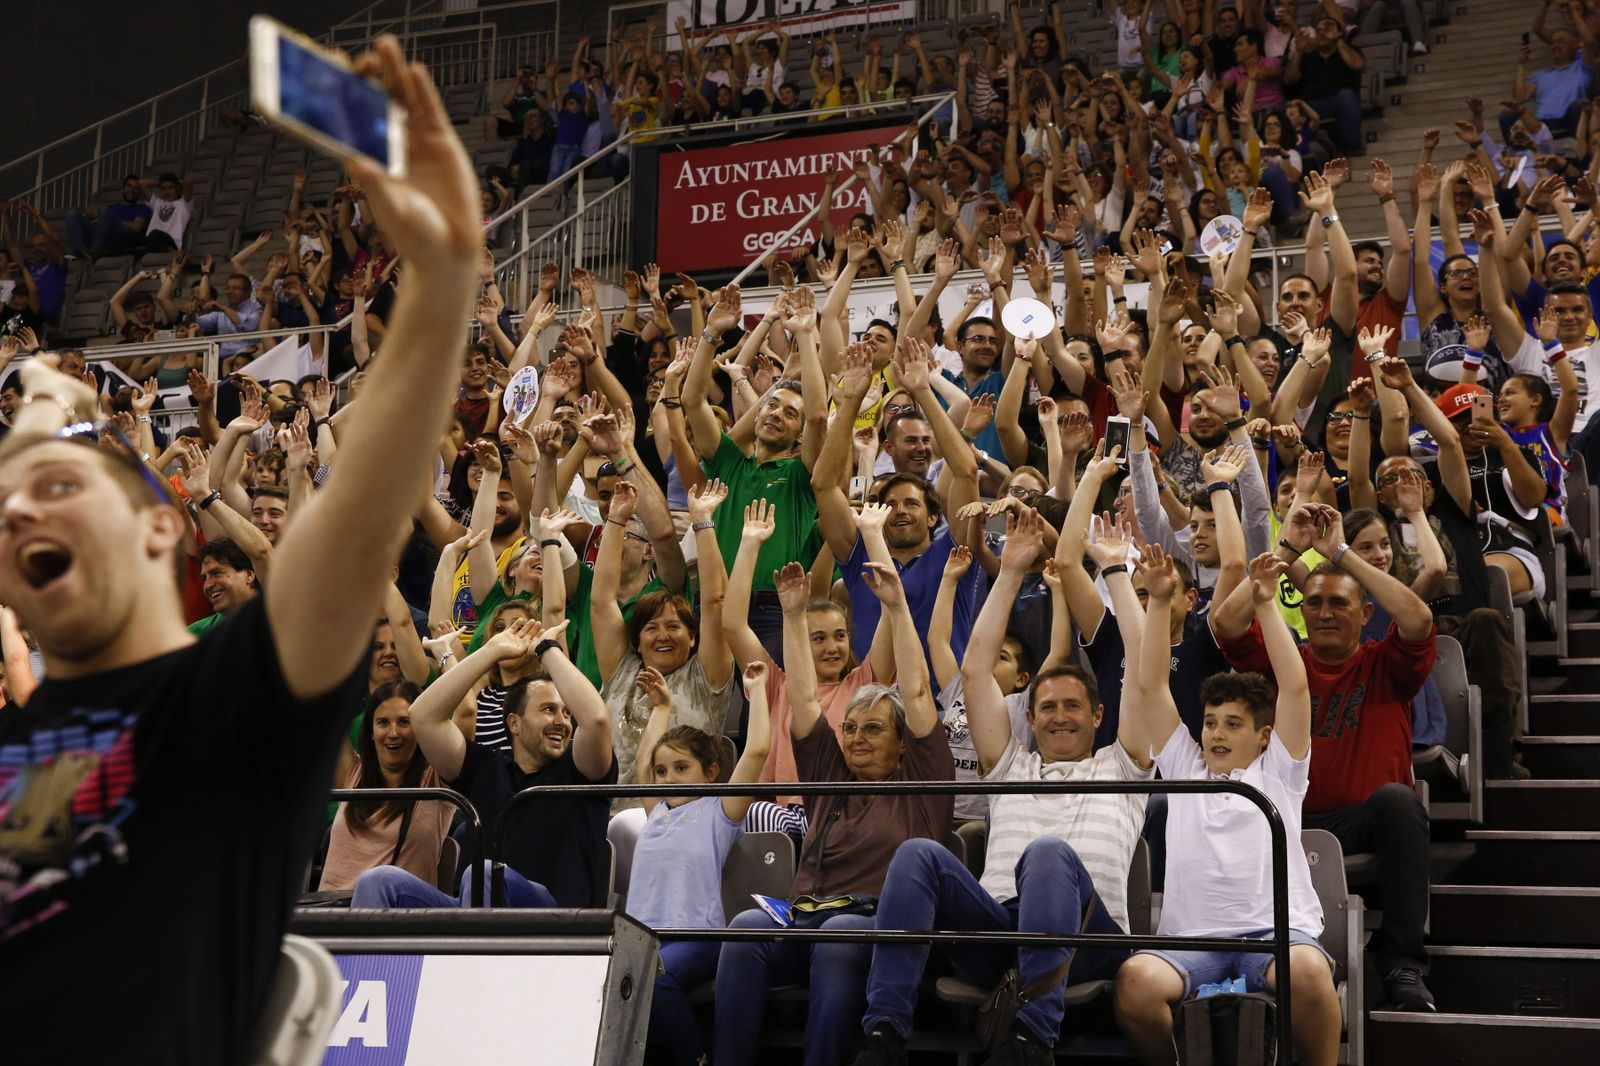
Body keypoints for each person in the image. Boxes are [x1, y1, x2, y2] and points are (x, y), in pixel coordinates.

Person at [0, 37, 485, 1059]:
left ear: (159, 526)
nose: (18, 516)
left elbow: (352, 527)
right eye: (3, 503)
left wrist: (442, 282)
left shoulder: (232, 697)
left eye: (54, 486)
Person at [850, 509, 1152, 1065]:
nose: (1061, 717)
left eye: (1073, 707)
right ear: (1029, 719)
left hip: (1087, 941)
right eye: (1048, 708)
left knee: (1047, 854)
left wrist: (1113, 573)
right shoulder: (1011, 763)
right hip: (1000, 935)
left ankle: (1030, 1041)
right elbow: (975, 672)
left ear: (1097, 715)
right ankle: (884, 1036)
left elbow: (1141, 667)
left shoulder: (1123, 765)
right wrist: (1010, 570)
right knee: (919, 854)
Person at [714, 561, 953, 1066]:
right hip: (802, 918)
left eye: (872, 730)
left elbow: (913, 690)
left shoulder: (922, 783)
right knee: (744, 930)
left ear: (903, 743)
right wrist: (794, 615)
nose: (856, 739)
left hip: (866, 924)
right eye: (849, 729)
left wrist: (896, 606)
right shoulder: (830, 773)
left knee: (836, 935)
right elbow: (801, 697)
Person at [1114, 549, 1341, 1066]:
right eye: (1211, 721)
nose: (1216, 733)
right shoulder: (1184, 765)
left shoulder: (1279, 770)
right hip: (1192, 943)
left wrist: (1264, 605)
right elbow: (1149, 686)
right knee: (1135, 983)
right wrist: (1158, 602)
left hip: (1275, 936)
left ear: (1264, 736)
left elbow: (1297, 686)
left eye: (1232, 724)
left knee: (1306, 973)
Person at [1212, 501, 1439, 1010]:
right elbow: (1226, 624)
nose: (1324, 613)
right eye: (1314, 603)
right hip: (1282, 819)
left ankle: (1403, 964)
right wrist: (1287, 550)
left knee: (1401, 803)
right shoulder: (1282, 658)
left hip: (1361, 819)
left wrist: (1338, 553)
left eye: (1339, 604)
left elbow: (1419, 616)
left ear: (1365, 614)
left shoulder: (1388, 663)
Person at [352, 614, 617, 908]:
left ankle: (470, 952)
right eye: (548, 710)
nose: (562, 721)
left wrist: (547, 648)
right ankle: (365, 957)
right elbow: (423, 716)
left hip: (554, 923)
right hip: (473, 906)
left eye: (566, 713)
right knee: (377, 881)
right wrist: (491, 651)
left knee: (488, 874)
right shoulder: (486, 768)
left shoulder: (581, 770)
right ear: (513, 723)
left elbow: (595, 719)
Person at [629, 659, 773, 1066]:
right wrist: (661, 708)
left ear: (711, 772)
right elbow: (643, 761)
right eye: (662, 772)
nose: (668, 778)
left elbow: (758, 749)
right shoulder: (656, 810)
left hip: (697, 937)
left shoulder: (719, 810)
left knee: (654, 980)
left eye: (681, 767)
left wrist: (757, 691)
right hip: (644, 938)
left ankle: (699, 1058)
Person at [815, 342, 981, 669]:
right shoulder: (859, 555)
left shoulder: (953, 555)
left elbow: (966, 470)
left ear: (934, 517)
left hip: (941, 703)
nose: (901, 510)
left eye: (911, 503)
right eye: (890, 504)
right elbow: (824, 485)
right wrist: (849, 404)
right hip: (872, 706)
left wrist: (923, 392)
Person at [319, 679, 454, 891]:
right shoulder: (353, 774)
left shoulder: (437, 783)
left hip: (395, 918)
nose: (393, 733)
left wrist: (446, 653)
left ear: (419, 727)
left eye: (404, 722)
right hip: (329, 916)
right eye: (383, 723)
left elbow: (466, 711)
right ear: (371, 731)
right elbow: (318, 701)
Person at [64, 175, 152, 259]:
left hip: (119, 239)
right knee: (73, 214)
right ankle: (79, 252)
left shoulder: (142, 208)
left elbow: (137, 227)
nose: (131, 190)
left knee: (106, 212)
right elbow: (92, 214)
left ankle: (94, 253)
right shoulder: (113, 206)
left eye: (136, 188)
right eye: (129, 186)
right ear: (123, 188)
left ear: (140, 192)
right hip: (99, 235)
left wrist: (113, 220)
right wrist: (84, 216)